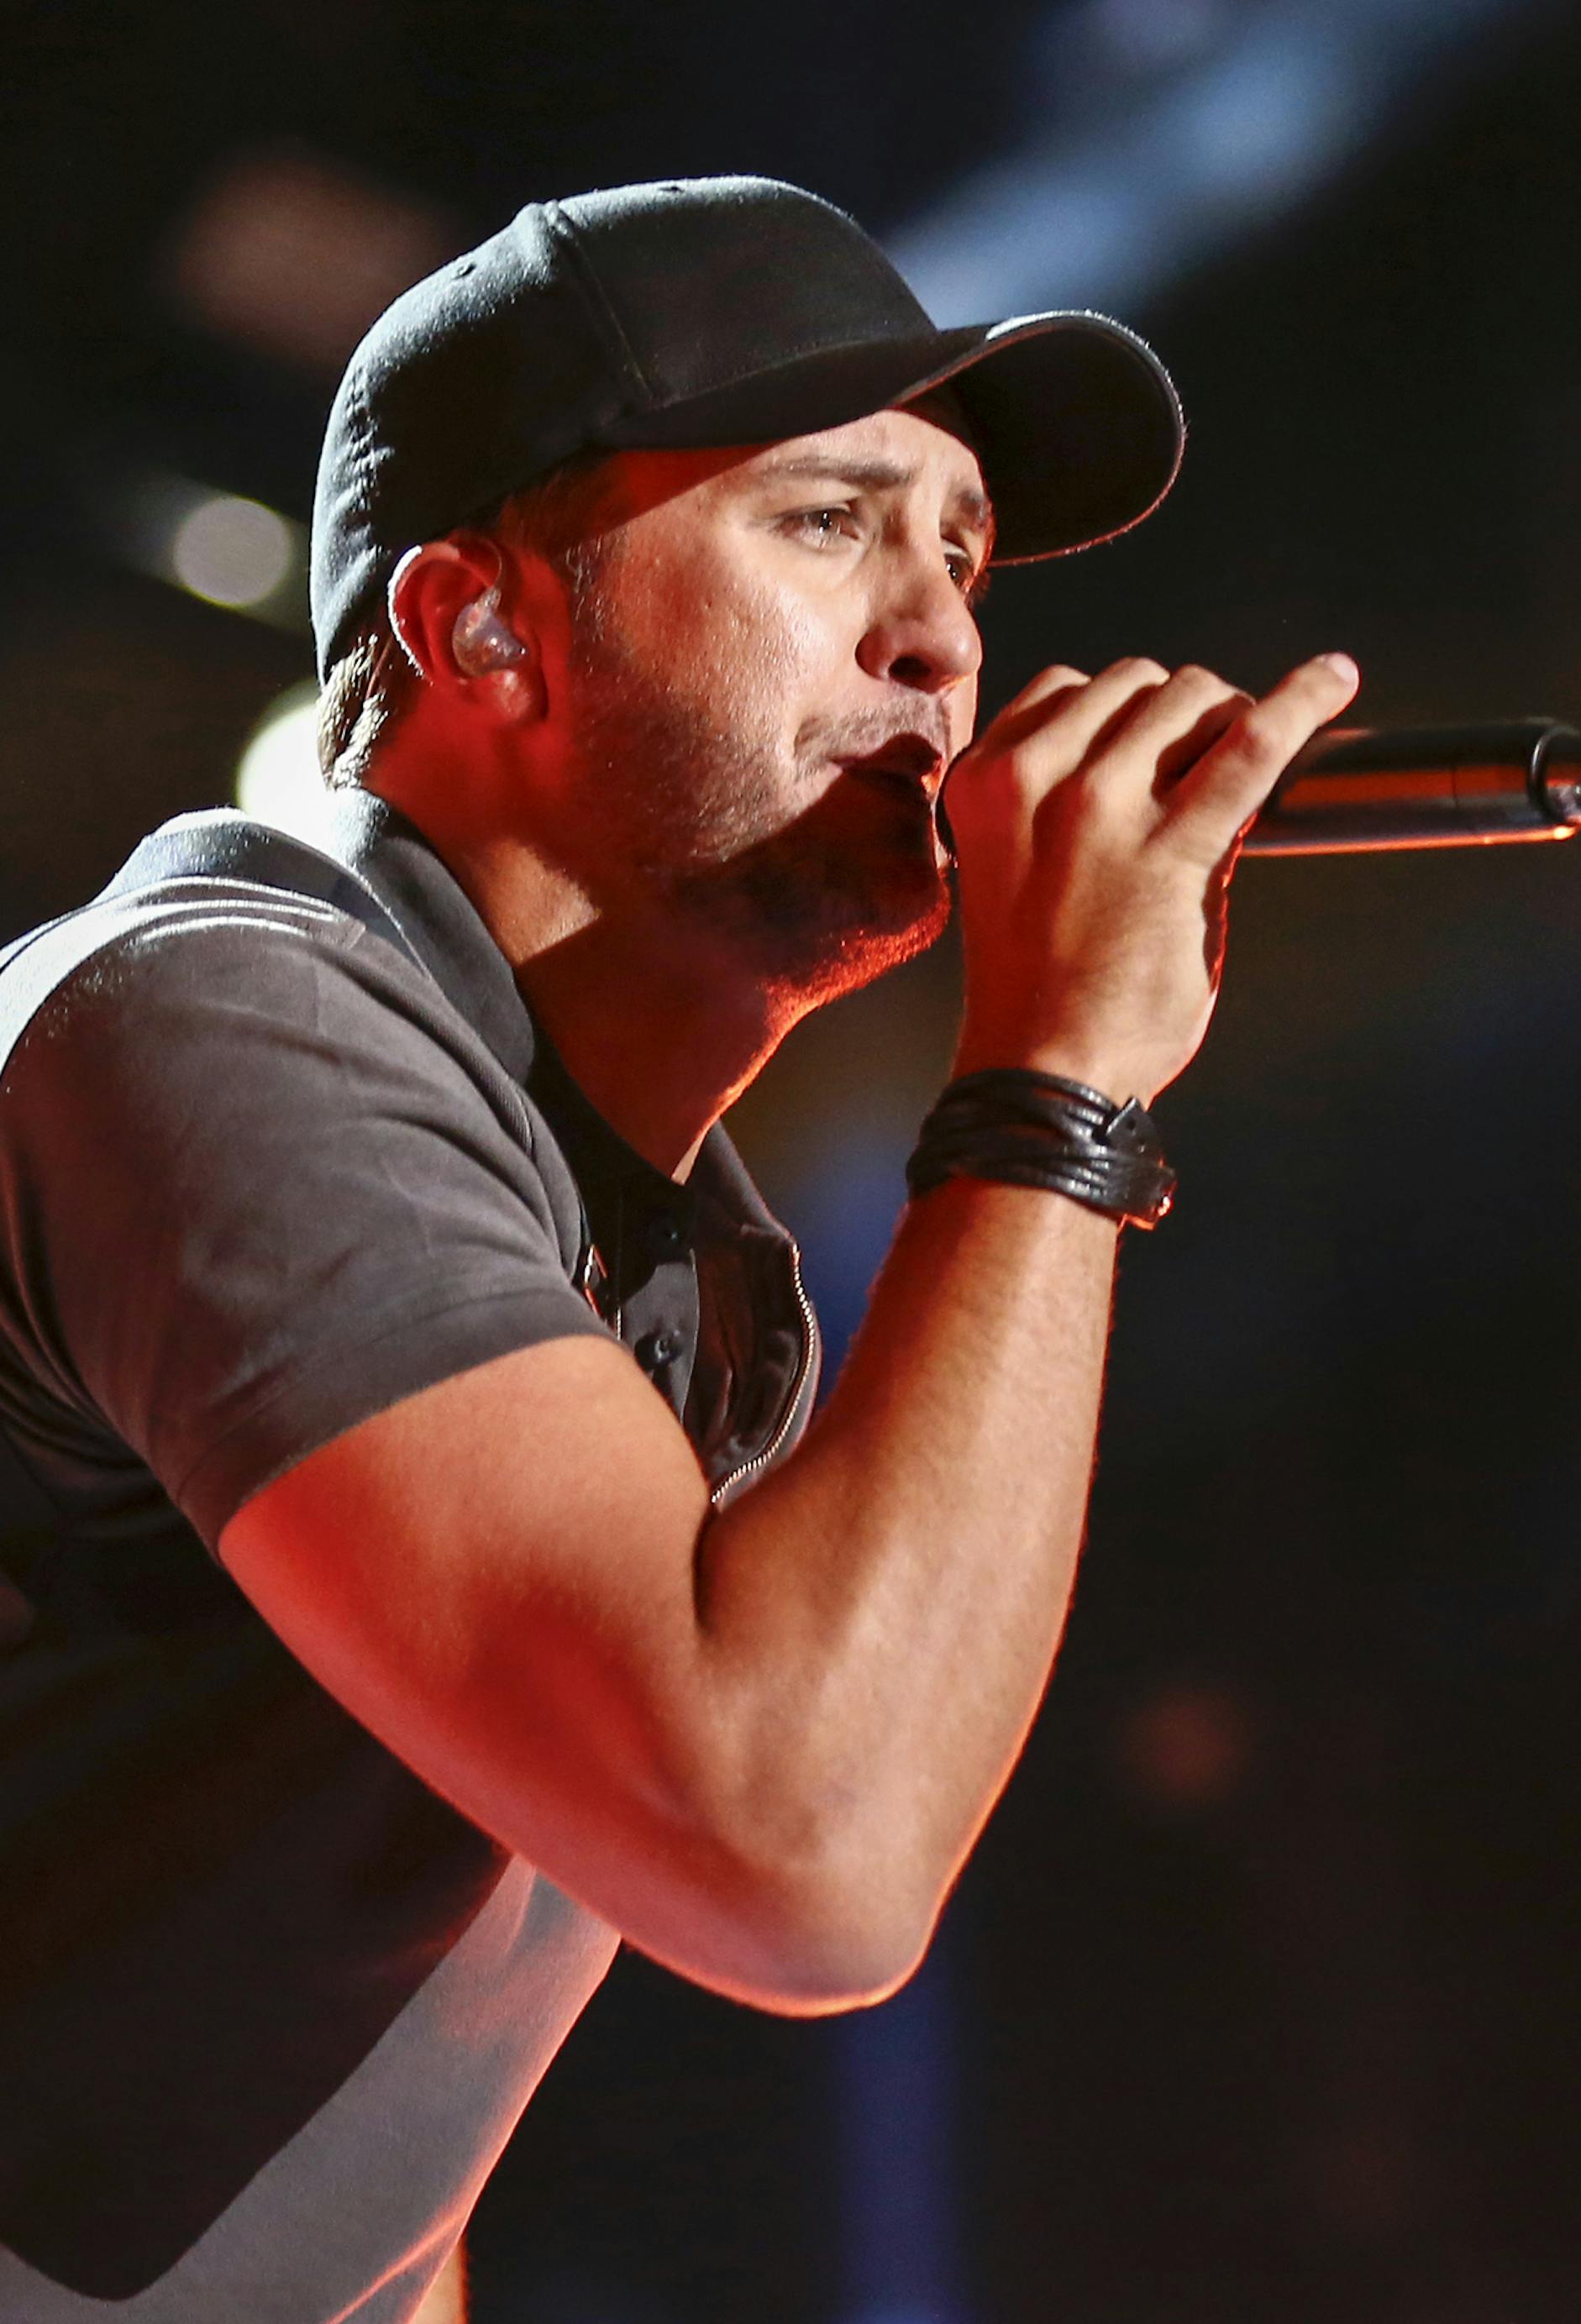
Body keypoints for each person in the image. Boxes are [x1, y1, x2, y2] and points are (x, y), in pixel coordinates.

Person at [0, 176, 1359, 2321]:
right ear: (481, 628)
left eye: (962, 552)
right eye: (827, 523)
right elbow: (803, 1854)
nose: (941, 637)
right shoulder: (207, 1021)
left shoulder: (691, 1289)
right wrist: (1061, 1093)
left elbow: (366, 2113)